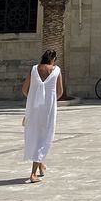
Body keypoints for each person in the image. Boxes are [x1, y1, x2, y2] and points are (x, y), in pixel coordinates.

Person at [22, 49, 63, 183]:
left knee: (35, 135)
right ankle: (33, 174)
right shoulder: (56, 70)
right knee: (43, 137)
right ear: (53, 59)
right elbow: (60, 92)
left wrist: (34, 98)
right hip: (48, 110)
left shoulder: (34, 69)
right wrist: (49, 100)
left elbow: (24, 89)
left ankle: (40, 166)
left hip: (33, 109)